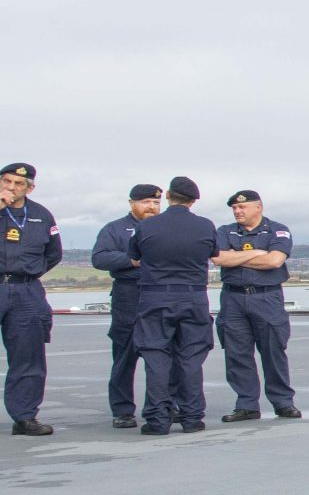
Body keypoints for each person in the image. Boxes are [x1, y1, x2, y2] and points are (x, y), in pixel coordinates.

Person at [129, 176, 220, 436]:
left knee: (156, 358)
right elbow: (214, 254)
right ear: (193, 200)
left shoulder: (148, 226)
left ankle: (158, 419)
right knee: (191, 358)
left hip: (156, 295)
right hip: (193, 296)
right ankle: (191, 417)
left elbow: (134, 256)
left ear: (168, 195)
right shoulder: (205, 226)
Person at [215, 190, 299, 422]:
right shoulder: (225, 231)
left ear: (258, 207)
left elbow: (274, 260)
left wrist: (237, 256)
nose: (237, 211)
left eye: (242, 207)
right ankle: (246, 405)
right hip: (233, 298)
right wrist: (257, 254)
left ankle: (283, 402)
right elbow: (219, 259)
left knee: (273, 351)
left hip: (266, 297)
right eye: (234, 208)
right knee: (237, 353)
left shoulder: (277, 229)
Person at [89, 184, 163, 428]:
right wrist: (130, 260)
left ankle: (164, 405)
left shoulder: (165, 227)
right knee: (124, 356)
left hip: (159, 294)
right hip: (128, 294)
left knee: (162, 356)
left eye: (155, 203)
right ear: (132, 203)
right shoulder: (115, 229)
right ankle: (122, 410)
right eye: (146, 203)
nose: (151, 207)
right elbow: (99, 258)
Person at [0, 161, 63, 435]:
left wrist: (28, 274)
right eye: (7, 181)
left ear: (30, 187)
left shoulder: (41, 215)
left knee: (29, 356)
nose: (12, 187)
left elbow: (54, 254)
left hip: (26, 290)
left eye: (19, 183)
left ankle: (25, 417)